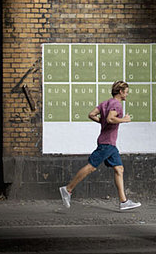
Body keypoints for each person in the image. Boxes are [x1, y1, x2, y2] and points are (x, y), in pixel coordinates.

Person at [59, 81, 141, 211]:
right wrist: (124, 120)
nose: (127, 94)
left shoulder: (106, 103)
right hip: (106, 143)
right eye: (126, 91)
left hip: (110, 144)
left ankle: (123, 201)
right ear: (120, 91)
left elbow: (91, 114)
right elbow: (110, 119)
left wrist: (103, 123)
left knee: (119, 169)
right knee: (91, 167)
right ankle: (68, 189)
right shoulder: (116, 104)